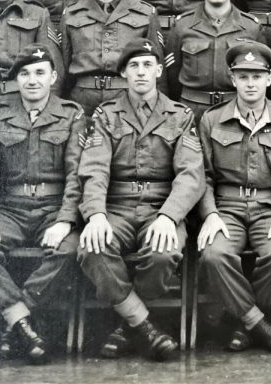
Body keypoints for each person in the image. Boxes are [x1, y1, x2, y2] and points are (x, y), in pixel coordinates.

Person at [77, 39, 205, 360]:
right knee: (92, 248)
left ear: (160, 70)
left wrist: (168, 216)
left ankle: (126, 326)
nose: (141, 72)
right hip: (116, 208)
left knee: (164, 254)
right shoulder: (106, 115)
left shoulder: (180, 115)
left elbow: (191, 175)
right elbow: (94, 169)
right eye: (133, 66)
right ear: (123, 73)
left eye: (148, 64)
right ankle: (143, 326)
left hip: (161, 208)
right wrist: (95, 215)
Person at [197, 42, 271, 353]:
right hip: (225, 208)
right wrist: (210, 214)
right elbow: (201, 176)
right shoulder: (211, 120)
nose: (251, 83)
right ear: (232, 79)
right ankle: (258, 324)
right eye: (243, 76)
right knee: (214, 255)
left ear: (270, 79)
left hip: (269, 208)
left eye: (257, 76)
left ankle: (240, 323)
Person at [0, 44, 85, 364]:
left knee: (70, 249)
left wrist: (65, 221)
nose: (32, 80)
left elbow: (77, 175)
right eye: (24, 74)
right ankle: (24, 323)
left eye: (40, 72)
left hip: (53, 208)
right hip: (10, 208)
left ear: (53, 77)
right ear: (16, 81)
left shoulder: (72, 114)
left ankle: (16, 322)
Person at [61, 0, 163, 116]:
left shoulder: (146, 13)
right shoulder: (71, 13)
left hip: (128, 99)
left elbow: (158, 71)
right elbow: (62, 68)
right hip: (82, 102)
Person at [165, 0, 265, 121]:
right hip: (191, 111)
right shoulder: (182, 25)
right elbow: (171, 77)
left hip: (237, 110)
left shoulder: (251, 27)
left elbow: (262, 75)